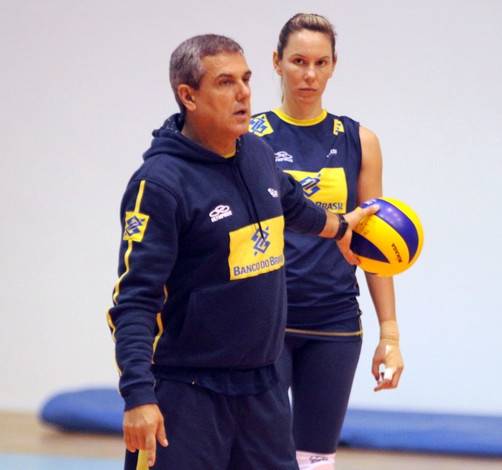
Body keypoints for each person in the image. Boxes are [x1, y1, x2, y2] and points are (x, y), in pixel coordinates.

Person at [106, 34, 376, 470]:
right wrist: (138, 396)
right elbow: (134, 302)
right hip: (188, 393)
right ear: (188, 96)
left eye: (247, 79)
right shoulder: (159, 184)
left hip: (263, 392)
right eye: (226, 82)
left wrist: (340, 227)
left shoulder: (257, 153)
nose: (244, 93)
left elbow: (293, 206)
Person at [249, 13, 405, 470]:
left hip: (334, 323)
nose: (309, 74)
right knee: (263, 455)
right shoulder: (249, 140)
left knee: (316, 460)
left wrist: (390, 335)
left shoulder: (360, 140)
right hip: (265, 322)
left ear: (334, 65)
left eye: (320, 62)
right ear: (277, 63)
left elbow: (374, 243)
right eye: (298, 61)